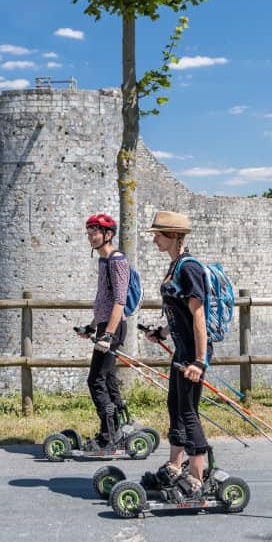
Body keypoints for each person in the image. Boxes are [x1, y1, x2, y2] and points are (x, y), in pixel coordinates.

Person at [144, 210, 213, 496]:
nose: (155, 240)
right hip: (181, 348)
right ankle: (175, 465)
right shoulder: (175, 266)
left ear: (172, 235)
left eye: (158, 235)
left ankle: (196, 476)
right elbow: (180, 314)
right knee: (175, 406)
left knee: (188, 411)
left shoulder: (189, 268)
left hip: (193, 352)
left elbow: (198, 317)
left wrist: (199, 360)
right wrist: (161, 333)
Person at [78, 213, 130, 447]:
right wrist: (91, 327)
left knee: (95, 380)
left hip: (114, 328)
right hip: (104, 326)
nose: (90, 237)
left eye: (94, 233)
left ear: (108, 235)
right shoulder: (103, 261)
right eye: (88, 233)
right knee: (107, 378)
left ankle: (110, 435)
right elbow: (104, 300)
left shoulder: (117, 260)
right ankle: (118, 426)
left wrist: (107, 334)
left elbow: (119, 301)